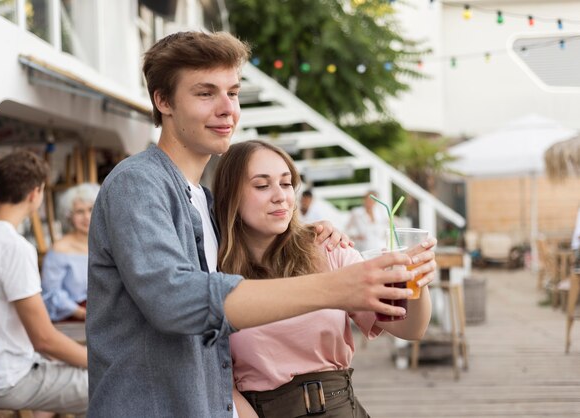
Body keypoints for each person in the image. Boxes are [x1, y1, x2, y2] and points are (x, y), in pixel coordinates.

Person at [87, 31, 431, 417]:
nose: (226, 109)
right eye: (205, 93)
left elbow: (215, 335)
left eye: (232, 93)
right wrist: (337, 287)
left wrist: (310, 236)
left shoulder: (205, 205)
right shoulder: (139, 182)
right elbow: (176, 299)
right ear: (163, 101)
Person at [213, 140, 434, 417]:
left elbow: (410, 330)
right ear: (229, 195)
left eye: (286, 183)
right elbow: (218, 382)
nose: (280, 196)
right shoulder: (213, 272)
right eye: (262, 185)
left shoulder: (327, 249)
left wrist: (416, 279)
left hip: (338, 407)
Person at [0, 150, 88, 415]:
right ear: (35, 194)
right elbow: (43, 339)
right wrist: (98, 363)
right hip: (1, 381)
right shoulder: (13, 247)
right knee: (115, 383)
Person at [41, 183, 100, 321]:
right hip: (73, 318)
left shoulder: (107, 244)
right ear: (69, 216)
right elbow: (51, 292)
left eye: (91, 209)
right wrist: (81, 313)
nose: (86, 217)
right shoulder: (59, 249)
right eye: (79, 211)